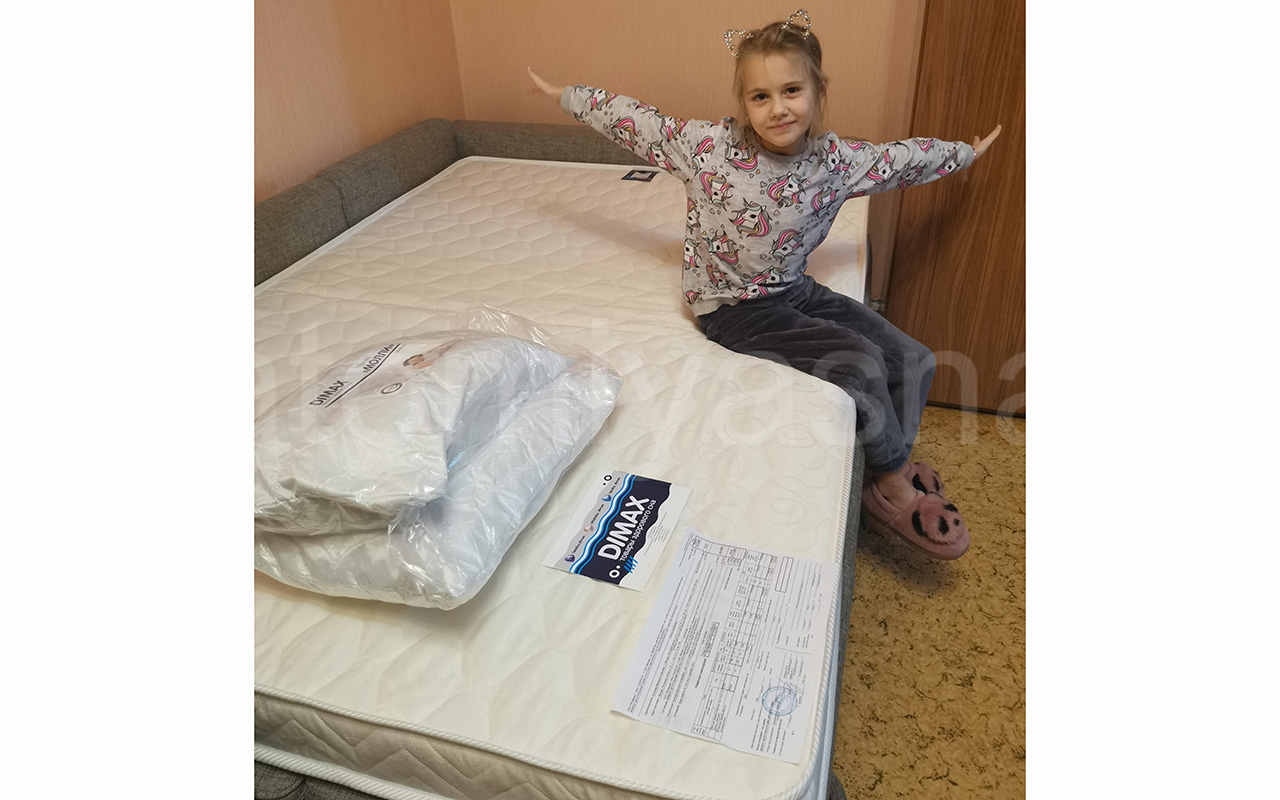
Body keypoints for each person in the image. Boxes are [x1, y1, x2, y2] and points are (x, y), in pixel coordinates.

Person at [528, 10, 1000, 560]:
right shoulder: (707, 149)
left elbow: (900, 160)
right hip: (733, 308)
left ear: (818, 92)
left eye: (792, 90)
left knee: (915, 360)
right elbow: (636, 121)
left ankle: (886, 462)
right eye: (760, 96)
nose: (778, 108)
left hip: (794, 289)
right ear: (744, 103)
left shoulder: (835, 162)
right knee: (860, 363)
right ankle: (895, 486)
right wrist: (567, 96)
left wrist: (964, 153)